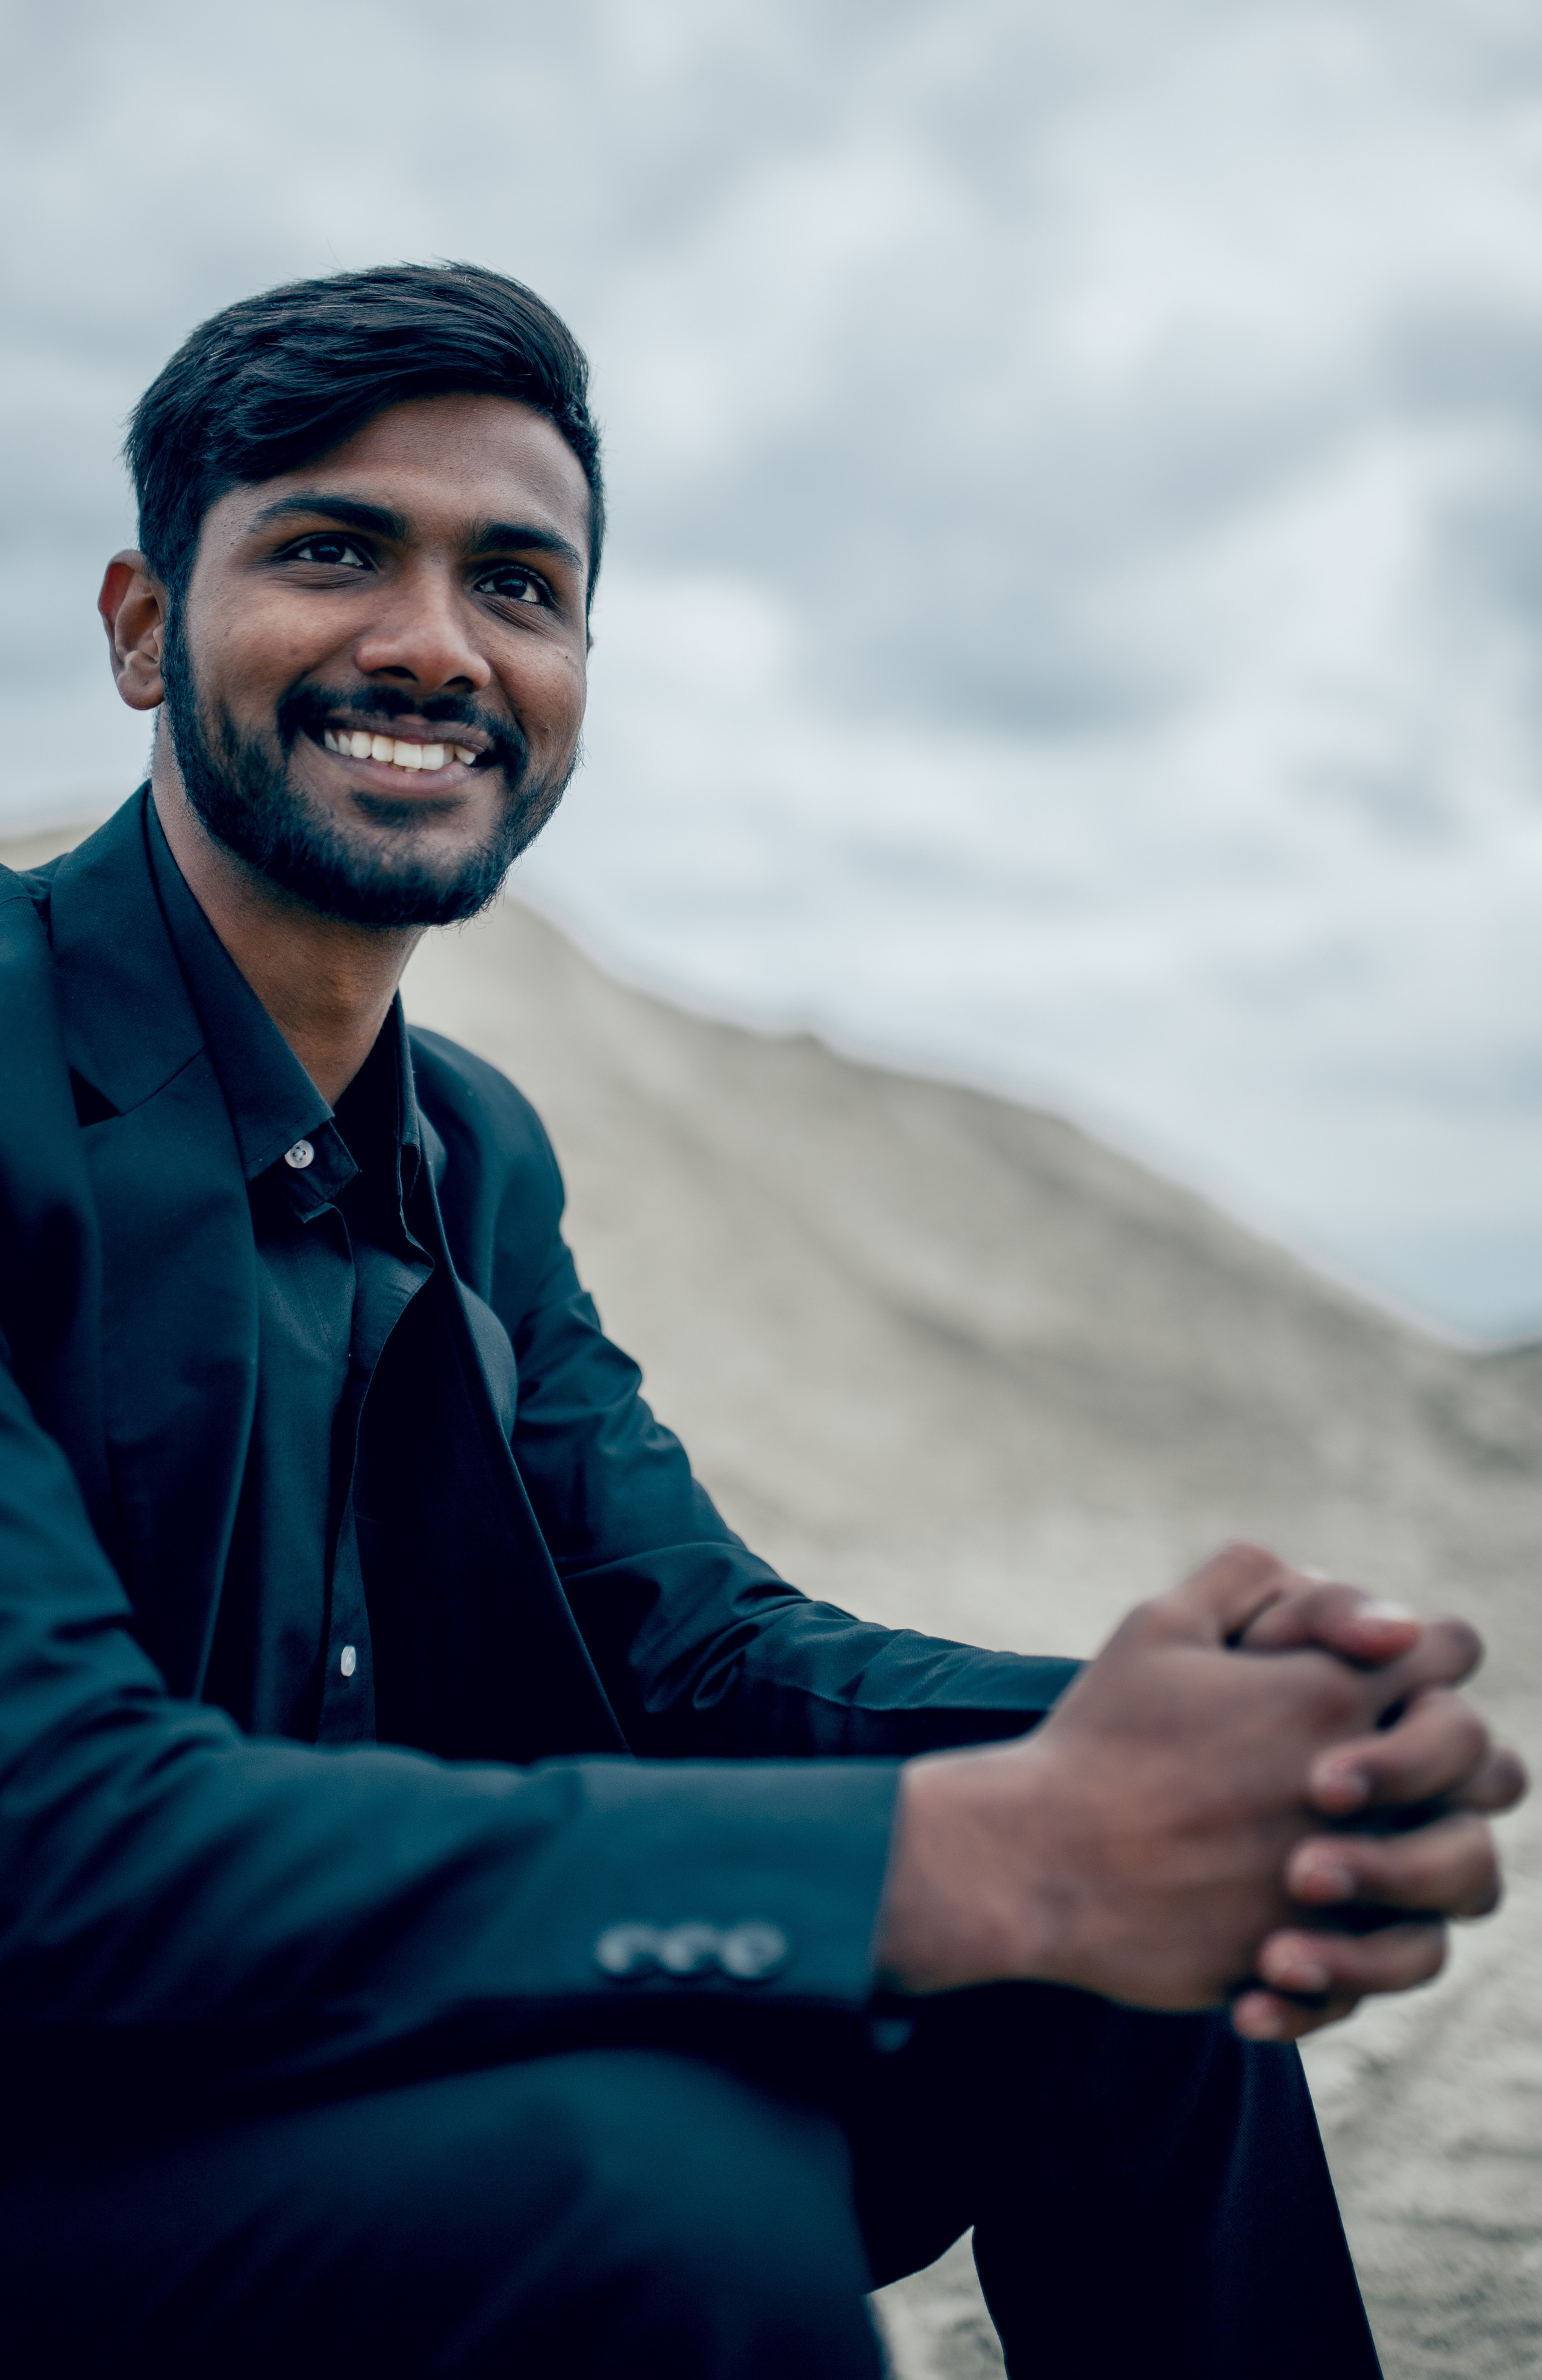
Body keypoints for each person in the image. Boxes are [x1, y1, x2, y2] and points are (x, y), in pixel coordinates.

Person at [0, 263, 1523, 2380]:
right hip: (56, 2115)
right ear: (144, 626)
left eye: (518, 585)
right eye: (333, 551)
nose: (435, 643)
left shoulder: (472, 1151)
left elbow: (694, 1649)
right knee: (664, 2192)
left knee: (1121, 1963)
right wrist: (967, 1853)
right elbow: (56, 1836)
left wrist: (1131, 1755)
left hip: (345, 2033)